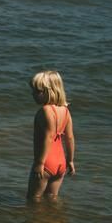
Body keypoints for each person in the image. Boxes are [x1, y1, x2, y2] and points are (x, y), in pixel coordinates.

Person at [28, 70, 77, 200]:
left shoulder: (45, 111)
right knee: (52, 198)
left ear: (50, 91)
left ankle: (36, 220)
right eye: (33, 90)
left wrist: (39, 163)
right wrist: (70, 160)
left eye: (38, 91)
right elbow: (70, 138)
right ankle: (53, 220)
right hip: (60, 163)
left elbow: (48, 137)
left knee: (34, 198)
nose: (33, 94)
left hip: (45, 163)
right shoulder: (65, 111)